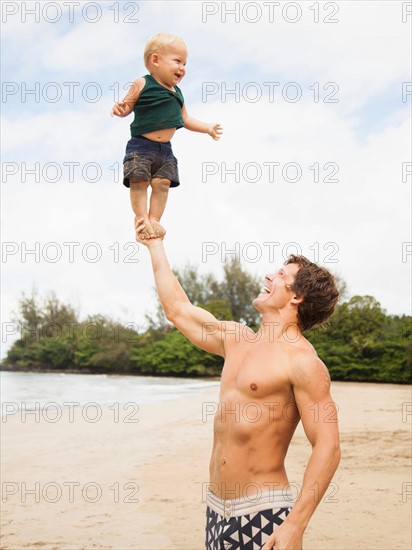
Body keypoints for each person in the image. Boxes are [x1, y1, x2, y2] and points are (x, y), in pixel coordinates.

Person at [135, 218, 341, 550]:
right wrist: (155, 245)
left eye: (281, 276)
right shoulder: (236, 338)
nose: (268, 276)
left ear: (297, 297)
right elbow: (178, 310)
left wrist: (295, 525)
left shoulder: (304, 363)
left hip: (264, 512)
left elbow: (329, 447)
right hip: (217, 510)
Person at [111, 32, 222, 240]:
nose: (182, 68)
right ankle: (142, 218)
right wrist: (120, 108)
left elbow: (186, 119)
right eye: (178, 61)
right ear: (155, 60)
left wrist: (207, 127)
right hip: (141, 146)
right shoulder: (142, 83)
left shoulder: (177, 92)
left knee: (163, 183)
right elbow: (127, 105)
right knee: (139, 181)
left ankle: (155, 219)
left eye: (185, 63)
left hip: (165, 150)